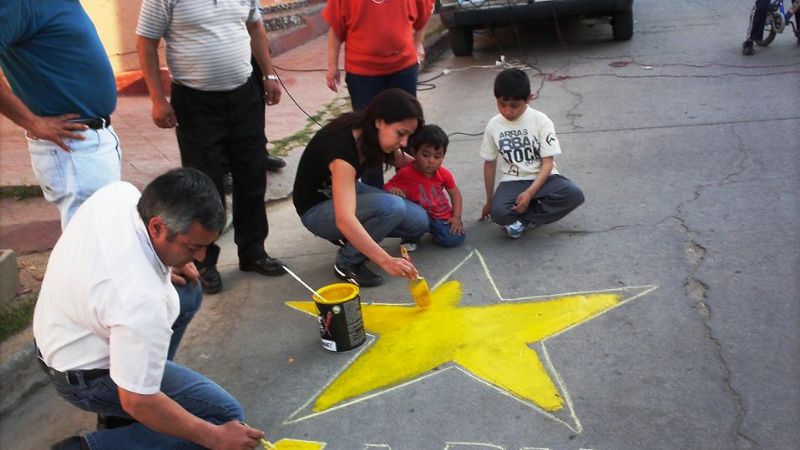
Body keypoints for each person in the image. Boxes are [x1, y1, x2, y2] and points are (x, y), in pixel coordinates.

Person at [35, 168, 265, 450]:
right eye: (193, 246)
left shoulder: (119, 195)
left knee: (188, 290)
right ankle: (89, 447)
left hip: (56, 332)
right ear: (157, 227)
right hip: (84, 376)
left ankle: (121, 411)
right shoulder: (142, 299)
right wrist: (215, 438)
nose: (203, 257)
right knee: (222, 419)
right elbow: (138, 401)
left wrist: (174, 259)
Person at [136, 0, 287, 295]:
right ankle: (205, 263)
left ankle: (253, 251)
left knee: (252, 174)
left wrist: (268, 74)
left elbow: (255, 27)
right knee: (204, 186)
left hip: (244, 94)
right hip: (195, 102)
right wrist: (157, 98)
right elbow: (146, 43)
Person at [0, 0, 121, 230]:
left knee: (100, 241)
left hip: (90, 142)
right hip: (73, 146)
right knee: (92, 248)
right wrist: (33, 123)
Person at [293, 88, 428, 287]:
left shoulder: (370, 132)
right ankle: (347, 262)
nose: (404, 142)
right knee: (391, 207)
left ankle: (354, 240)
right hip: (315, 210)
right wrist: (386, 261)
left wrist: (429, 166)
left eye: (408, 136)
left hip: (343, 191)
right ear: (380, 122)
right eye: (401, 134)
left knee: (419, 222)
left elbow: (400, 159)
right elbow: (345, 219)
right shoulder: (343, 152)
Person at [324, 0, 435, 188]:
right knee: (369, 134)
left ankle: (410, 188)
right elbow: (335, 30)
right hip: (362, 74)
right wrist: (332, 65)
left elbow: (424, 15)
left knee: (405, 129)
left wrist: (417, 45)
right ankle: (375, 194)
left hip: (403, 68)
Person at [480, 68, 584, 239]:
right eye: (501, 104)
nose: (507, 111)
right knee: (498, 213)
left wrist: (529, 193)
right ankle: (530, 208)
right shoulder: (493, 125)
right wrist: (489, 201)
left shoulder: (541, 120)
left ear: (529, 99)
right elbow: (489, 163)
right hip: (512, 180)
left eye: (514, 105)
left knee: (574, 195)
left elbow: (548, 162)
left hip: (543, 178)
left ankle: (525, 220)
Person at [384, 124, 465, 250]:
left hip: (440, 216)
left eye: (437, 156)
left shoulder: (443, 173)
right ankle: (411, 236)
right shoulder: (406, 173)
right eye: (426, 155)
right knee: (415, 221)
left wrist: (456, 217)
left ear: (443, 156)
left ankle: (432, 231)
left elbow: (455, 194)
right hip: (419, 215)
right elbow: (388, 186)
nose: (431, 161)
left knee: (454, 239)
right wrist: (392, 189)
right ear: (415, 152)